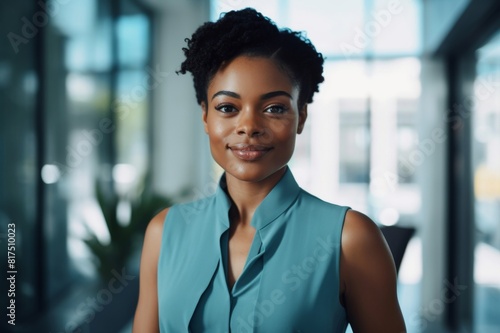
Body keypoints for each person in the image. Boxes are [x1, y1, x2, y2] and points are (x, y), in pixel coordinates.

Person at [133, 8, 406, 333]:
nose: (248, 126)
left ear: (301, 117)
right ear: (205, 117)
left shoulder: (351, 238)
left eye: (274, 108)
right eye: (227, 108)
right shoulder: (165, 233)